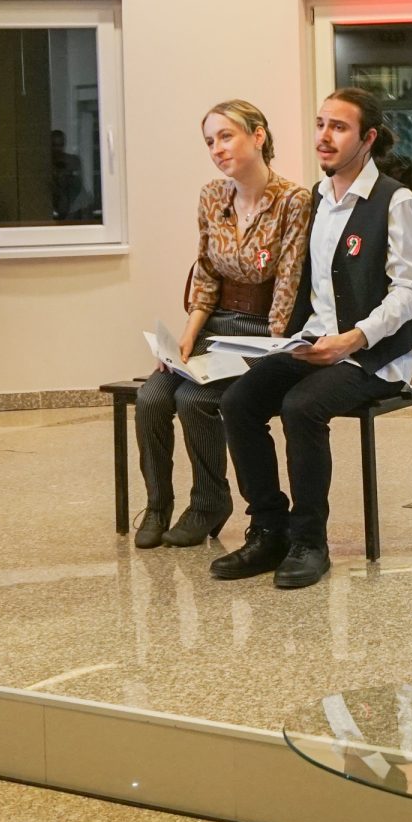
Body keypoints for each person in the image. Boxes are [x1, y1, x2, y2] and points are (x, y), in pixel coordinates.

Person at [214, 87, 412, 589]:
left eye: (339, 127)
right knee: (239, 402)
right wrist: (290, 338)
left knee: (301, 407)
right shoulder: (316, 198)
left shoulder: (397, 202)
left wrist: (352, 339)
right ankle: (270, 529)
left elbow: (410, 292)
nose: (324, 137)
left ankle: (310, 542)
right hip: (315, 344)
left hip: (373, 357)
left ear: (368, 138)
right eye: (320, 124)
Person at [133, 100, 312, 548]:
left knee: (193, 398)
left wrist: (276, 350)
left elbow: (288, 282)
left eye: (226, 136)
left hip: (263, 331)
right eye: (210, 141)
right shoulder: (213, 195)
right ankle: (157, 505)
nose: (217, 148)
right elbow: (207, 272)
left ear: (258, 136)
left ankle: (209, 501)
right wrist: (187, 337)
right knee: (151, 397)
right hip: (217, 323)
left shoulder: (293, 199)